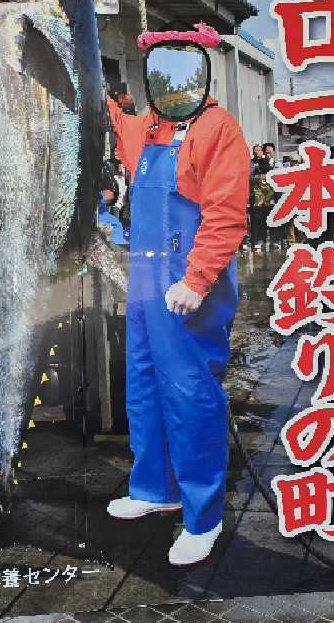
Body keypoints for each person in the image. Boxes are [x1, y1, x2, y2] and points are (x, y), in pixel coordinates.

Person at [105, 87, 249, 566]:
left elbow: (226, 211)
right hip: (145, 280)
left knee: (190, 394)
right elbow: (110, 116)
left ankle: (203, 517)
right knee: (143, 385)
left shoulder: (217, 128)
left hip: (187, 283)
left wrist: (199, 276)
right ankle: (154, 488)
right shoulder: (146, 126)